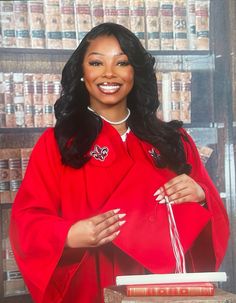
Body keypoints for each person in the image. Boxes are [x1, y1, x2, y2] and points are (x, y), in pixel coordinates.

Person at [10, 22, 229, 303]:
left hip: (160, 290)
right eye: (96, 63)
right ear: (82, 72)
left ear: (134, 72)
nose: (109, 74)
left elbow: (214, 216)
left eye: (122, 62)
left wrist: (200, 196)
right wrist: (68, 234)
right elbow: (25, 222)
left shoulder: (173, 140)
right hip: (90, 287)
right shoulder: (57, 144)